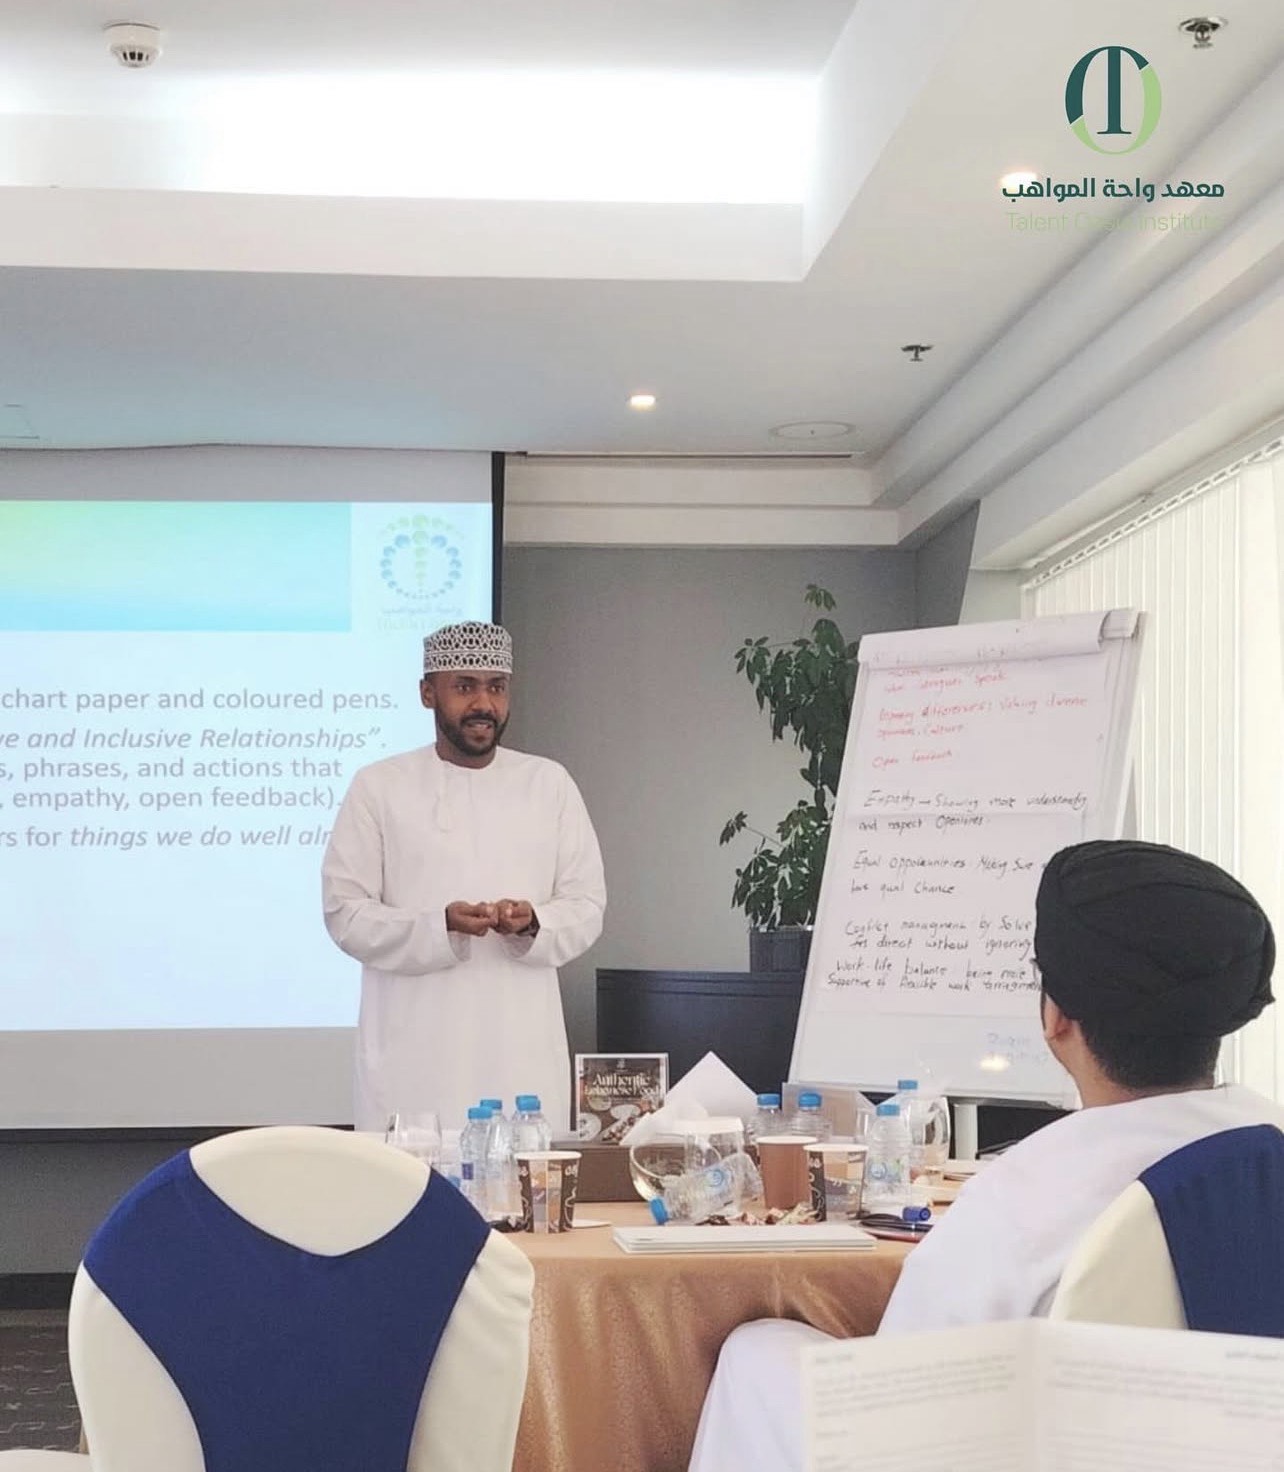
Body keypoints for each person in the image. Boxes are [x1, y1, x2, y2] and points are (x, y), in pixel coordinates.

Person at [689, 839, 1280, 1472]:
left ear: (1056, 1016)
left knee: (756, 1352)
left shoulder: (1026, 1199)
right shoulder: (1268, 1149)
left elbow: (906, 1393)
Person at [321, 620, 605, 1132]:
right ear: (428, 693)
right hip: (413, 1056)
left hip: (521, 1050)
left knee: (522, 1174)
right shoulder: (378, 786)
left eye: (496, 687)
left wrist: (533, 923)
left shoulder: (549, 784)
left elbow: (586, 906)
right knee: (413, 1178)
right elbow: (346, 914)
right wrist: (440, 926)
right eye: (465, 686)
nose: (483, 704)